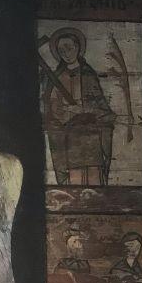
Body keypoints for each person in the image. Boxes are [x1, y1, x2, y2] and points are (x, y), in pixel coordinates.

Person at [42, 27, 116, 185]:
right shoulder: (56, 77)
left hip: (91, 134)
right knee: (74, 180)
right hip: (68, 134)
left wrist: (83, 109)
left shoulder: (88, 74)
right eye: (61, 50)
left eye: (69, 48)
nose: (66, 53)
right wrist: (66, 113)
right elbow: (52, 106)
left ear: (77, 47)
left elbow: (101, 105)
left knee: (94, 177)